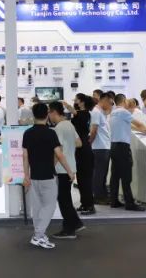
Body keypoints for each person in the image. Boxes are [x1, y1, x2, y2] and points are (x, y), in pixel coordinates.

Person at [22, 104, 75, 249]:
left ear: (33, 115)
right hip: (48, 175)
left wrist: (26, 175)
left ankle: (39, 234)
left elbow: (25, 156)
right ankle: (38, 235)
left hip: (34, 176)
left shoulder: (27, 133)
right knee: (49, 206)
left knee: (37, 207)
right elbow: (59, 155)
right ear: (46, 115)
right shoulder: (51, 133)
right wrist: (70, 171)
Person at [109, 93, 146, 211]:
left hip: (114, 146)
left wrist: (145, 132)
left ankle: (113, 201)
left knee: (115, 175)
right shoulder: (123, 112)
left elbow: (130, 126)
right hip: (122, 148)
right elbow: (138, 124)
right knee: (126, 176)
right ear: (123, 101)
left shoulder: (114, 113)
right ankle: (129, 203)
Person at [47, 102, 83, 240]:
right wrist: (69, 146)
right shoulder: (69, 124)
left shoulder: (58, 128)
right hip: (71, 166)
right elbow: (79, 143)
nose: (48, 116)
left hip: (63, 168)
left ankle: (69, 229)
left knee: (63, 199)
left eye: (49, 112)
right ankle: (76, 223)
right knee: (65, 198)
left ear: (54, 112)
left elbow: (59, 151)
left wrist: (51, 167)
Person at [70, 94, 96, 214]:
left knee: (85, 179)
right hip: (80, 149)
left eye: (76, 99)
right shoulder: (80, 114)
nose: (74, 101)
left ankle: (89, 205)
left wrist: (67, 106)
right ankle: (84, 203)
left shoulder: (85, 114)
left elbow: (76, 114)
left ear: (81, 102)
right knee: (81, 179)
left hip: (84, 149)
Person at [90, 92, 112, 206]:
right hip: (99, 147)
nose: (110, 105)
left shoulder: (101, 113)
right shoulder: (96, 112)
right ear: (104, 100)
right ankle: (98, 196)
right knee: (99, 173)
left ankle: (102, 195)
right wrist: (90, 144)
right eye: (110, 103)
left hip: (104, 147)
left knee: (103, 173)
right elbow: (94, 130)